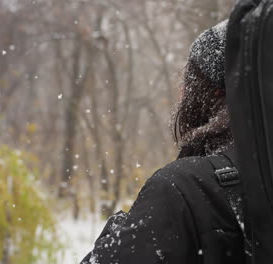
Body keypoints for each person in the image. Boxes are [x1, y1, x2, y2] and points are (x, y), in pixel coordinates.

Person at [80, 20, 246, 264]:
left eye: (188, 79)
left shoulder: (181, 187)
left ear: (212, 91)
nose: (181, 91)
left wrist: (120, 229)